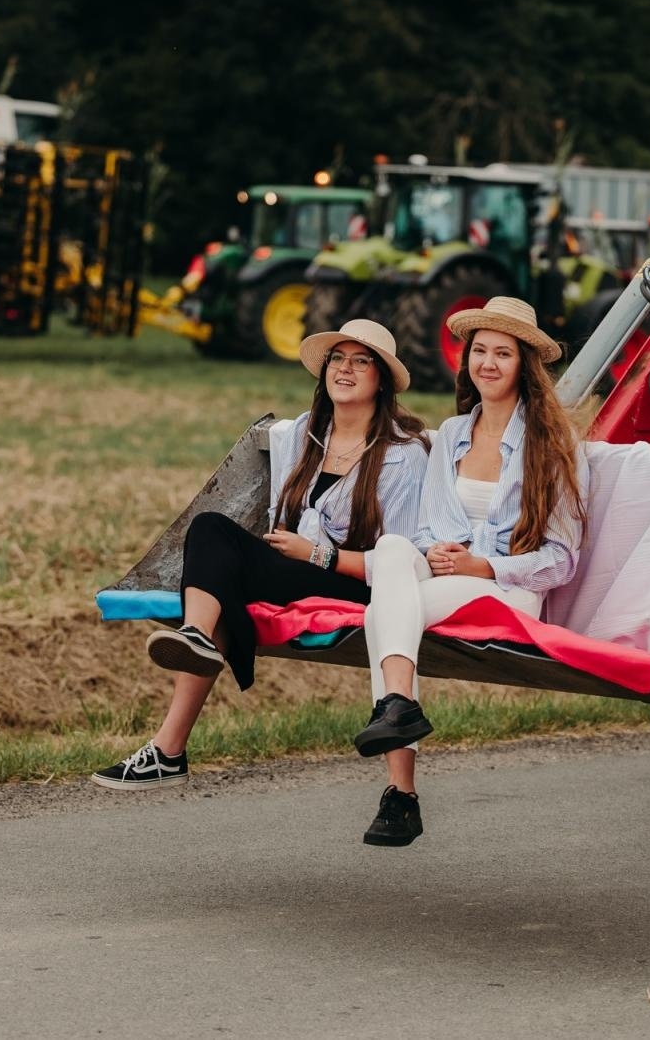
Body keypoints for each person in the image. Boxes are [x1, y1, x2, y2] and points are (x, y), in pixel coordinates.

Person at [92, 320, 430, 789]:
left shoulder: (404, 454)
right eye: (337, 359)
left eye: (361, 361)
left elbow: (401, 559)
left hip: (354, 581)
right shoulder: (301, 435)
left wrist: (318, 554)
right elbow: (276, 518)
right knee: (208, 528)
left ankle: (169, 745)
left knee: (221, 572)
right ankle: (195, 640)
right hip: (291, 564)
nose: (345, 369)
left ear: (382, 380)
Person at [352, 296, 590, 846]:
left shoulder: (553, 446)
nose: (486, 362)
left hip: (509, 591)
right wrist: (436, 552)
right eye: (479, 351)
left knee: (380, 620)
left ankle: (401, 791)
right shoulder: (453, 432)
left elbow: (561, 559)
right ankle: (399, 707)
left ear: (524, 365)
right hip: (448, 578)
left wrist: (483, 564)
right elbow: (432, 526)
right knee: (392, 547)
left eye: (501, 353)